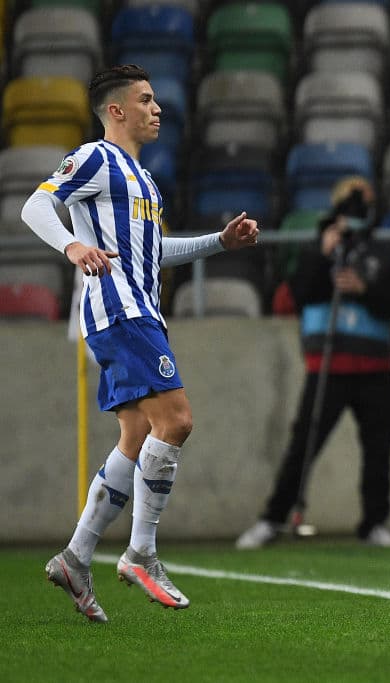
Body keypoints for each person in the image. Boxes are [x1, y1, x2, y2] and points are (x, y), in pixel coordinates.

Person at [22, 65, 260, 622]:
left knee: (135, 435)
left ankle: (76, 558)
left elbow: (156, 254)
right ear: (116, 111)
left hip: (140, 310)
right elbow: (34, 205)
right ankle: (140, 553)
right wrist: (72, 247)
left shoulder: (144, 182)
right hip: (120, 312)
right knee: (175, 420)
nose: (158, 109)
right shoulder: (95, 158)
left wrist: (220, 243)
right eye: (147, 100)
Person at [235, 177, 390, 550]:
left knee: (379, 447)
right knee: (304, 444)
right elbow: (298, 293)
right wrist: (322, 253)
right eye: (354, 198)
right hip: (327, 365)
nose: (361, 206)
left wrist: (365, 289)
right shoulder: (318, 245)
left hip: (375, 364)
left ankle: (375, 523)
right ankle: (273, 519)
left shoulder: (381, 248)